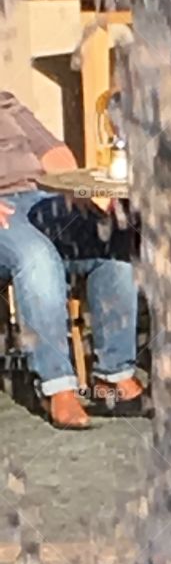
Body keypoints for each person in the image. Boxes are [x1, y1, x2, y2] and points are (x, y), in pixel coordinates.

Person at [0, 92, 143, 429]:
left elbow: (55, 153)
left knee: (113, 237)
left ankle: (114, 375)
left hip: (41, 197)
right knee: (37, 256)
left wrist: (73, 187)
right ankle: (58, 387)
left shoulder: (7, 104)